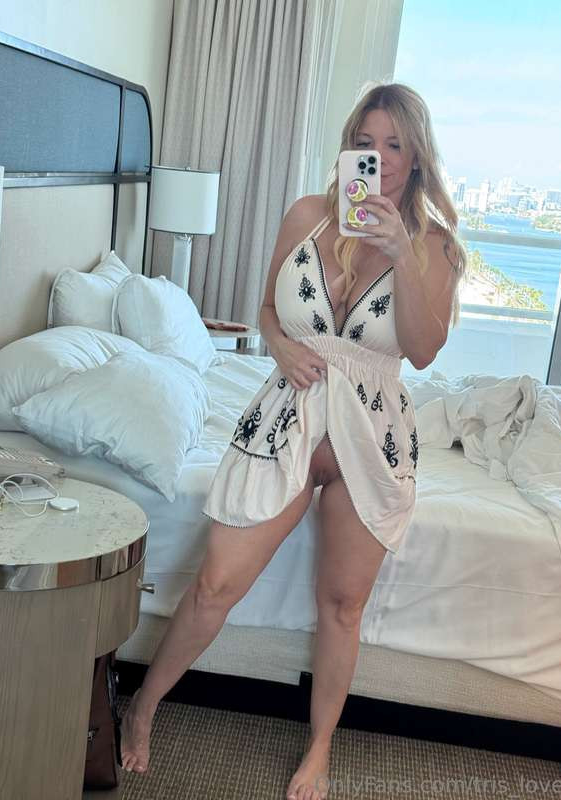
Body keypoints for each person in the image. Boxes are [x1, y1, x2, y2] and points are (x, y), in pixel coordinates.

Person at [119, 81, 466, 799]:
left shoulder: (434, 246)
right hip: (289, 410)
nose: (379, 159)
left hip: (373, 435)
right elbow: (267, 309)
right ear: (348, 150)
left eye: (394, 146)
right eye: (365, 144)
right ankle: (143, 707)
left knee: (342, 606)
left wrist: (403, 254)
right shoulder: (308, 215)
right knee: (215, 584)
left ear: (417, 158)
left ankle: (320, 747)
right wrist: (278, 347)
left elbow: (424, 350)